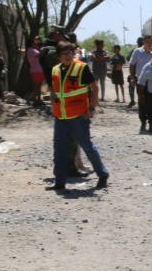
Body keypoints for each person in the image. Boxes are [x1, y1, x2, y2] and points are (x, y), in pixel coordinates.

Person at [49, 41, 108, 192]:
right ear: (59, 56)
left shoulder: (81, 68)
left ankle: (102, 174)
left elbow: (94, 88)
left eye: (70, 53)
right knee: (59, 149)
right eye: (64, 54)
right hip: (60, 117)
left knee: (87, 146)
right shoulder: (55, 70)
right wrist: (52, 103)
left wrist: (92, 108)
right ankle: (59, 181)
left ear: (74, 53)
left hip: (78, 116)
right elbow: (54, 90)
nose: (68, 56)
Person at [128, 35, 152, 133]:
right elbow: (132, 65)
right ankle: (143, 122)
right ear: (144, 42)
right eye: (148, 42)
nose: (150, 43)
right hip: (141, 82)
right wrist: (132, 78)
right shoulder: (137, 52)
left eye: (151, 41)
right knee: (142, 103)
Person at [26, 35, 45, 106]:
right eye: (34, 42)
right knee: (36, 86)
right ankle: (35, 100)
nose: (36, 43)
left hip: (37, 70)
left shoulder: (31, 50)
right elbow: (41, 54)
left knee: (38, 86)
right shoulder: (32, 50)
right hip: (36, 70)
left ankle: (38, 99)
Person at [126, 36, 142, 108]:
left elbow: (128, 58)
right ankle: (135, 101)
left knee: (132, 88)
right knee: (136, 88)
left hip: (135, 72)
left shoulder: (134, 50)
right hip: (136, 73)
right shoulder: (136, 50)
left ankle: (133, 101)